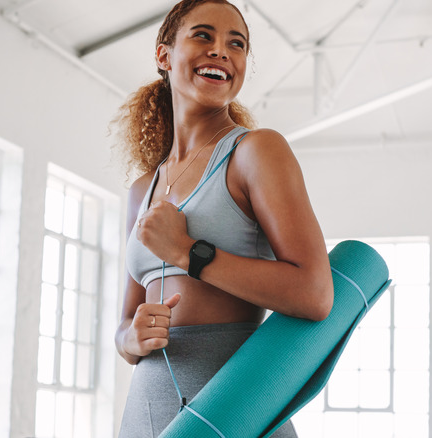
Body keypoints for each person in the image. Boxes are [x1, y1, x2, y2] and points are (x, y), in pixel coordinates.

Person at [112, 0, 334, 436]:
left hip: (234, 403)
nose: (221, 51)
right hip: (147, 406)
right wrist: (131, 338)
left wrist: (187, 252)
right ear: (164, 56)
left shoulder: (256, 152)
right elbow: (125, 325)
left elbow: (315, 293)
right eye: (203, 35)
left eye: (237, 44)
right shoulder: (143, 189)